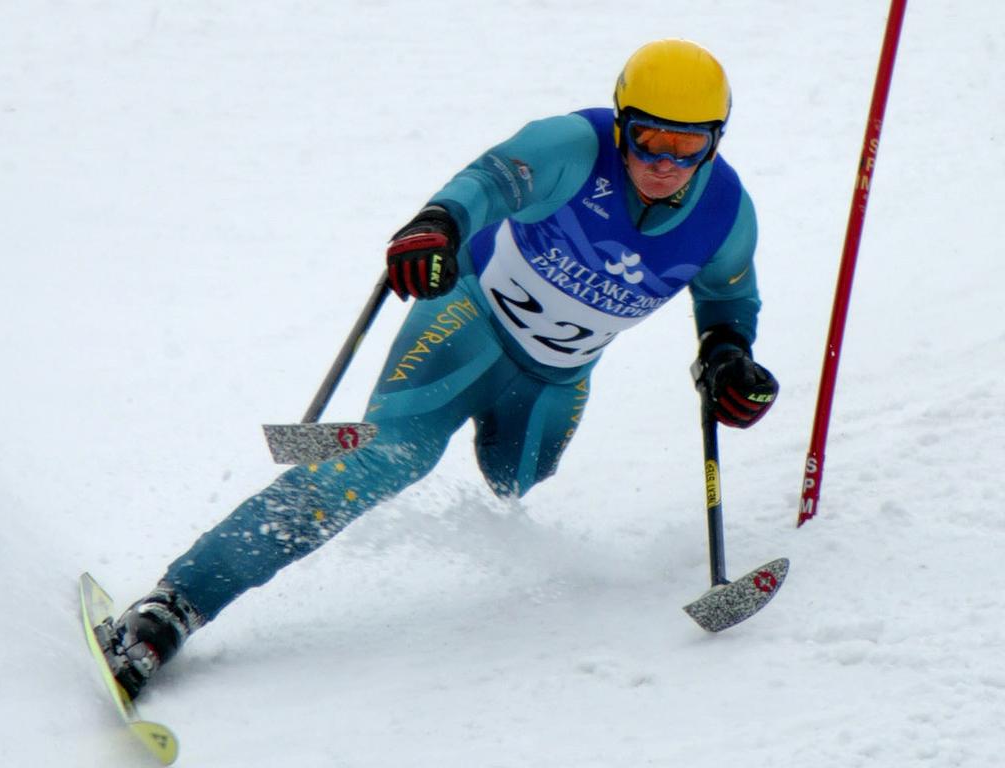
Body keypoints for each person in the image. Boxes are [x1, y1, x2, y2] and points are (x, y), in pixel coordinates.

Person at [98, 38, 779, 699]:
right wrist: (438, 226)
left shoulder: (725, 214)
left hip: (557, 377)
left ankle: (422, 453)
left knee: (518, 479)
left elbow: (726, 296)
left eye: (690, 146)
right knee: (388, 457)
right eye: (648, 140)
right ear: (622, 123)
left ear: (716, 140)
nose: (665, 162)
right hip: (468, 325)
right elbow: (486, 182)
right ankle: (173, 607)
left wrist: (727, 357)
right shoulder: (571, 146)